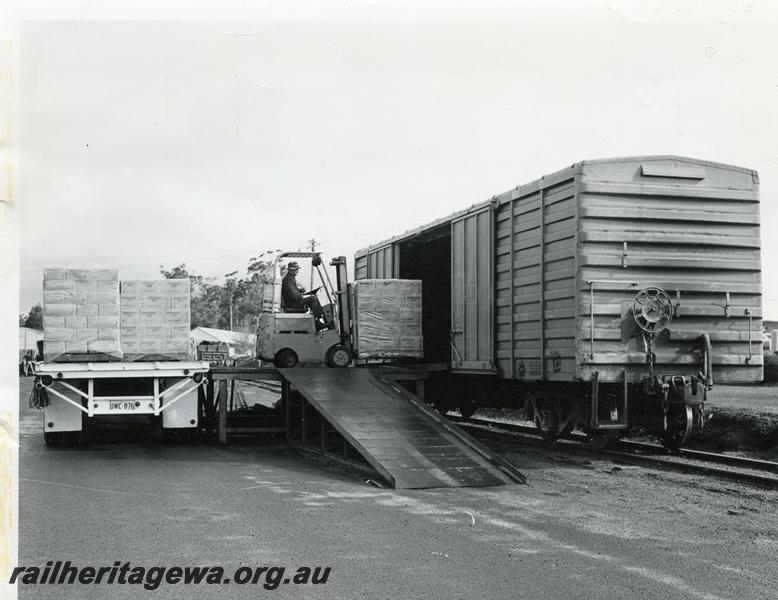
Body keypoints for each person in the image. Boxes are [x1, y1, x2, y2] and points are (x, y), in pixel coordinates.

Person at [281, 261, 327, 327]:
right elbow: (294, 296)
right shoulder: (288, 280)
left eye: (297, 269)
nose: (297, 271)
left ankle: (317, 319)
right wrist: (302, 295)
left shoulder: (291, 279)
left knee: (313, 297)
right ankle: (317, 321)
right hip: (292, 304)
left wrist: (300, 291)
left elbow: (294, 292)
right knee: (313, 299)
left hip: (293, 302)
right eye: (296, 269)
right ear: (291, 270)